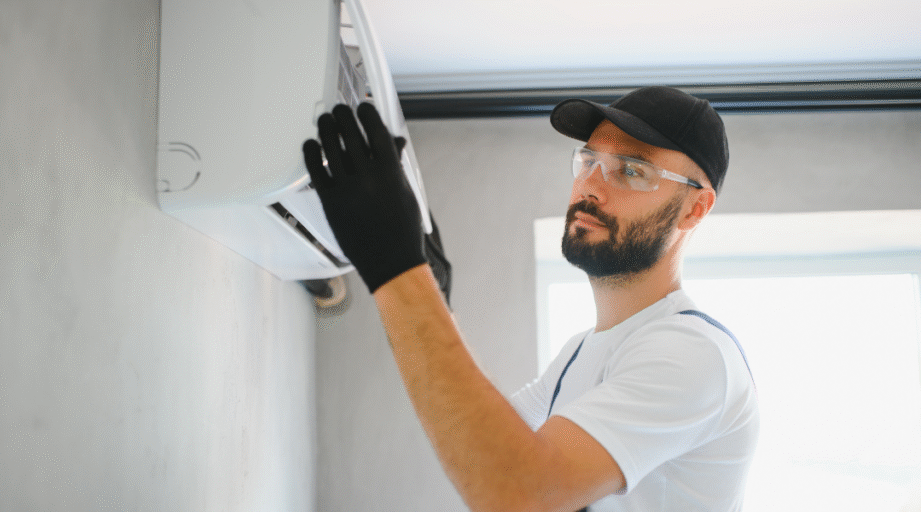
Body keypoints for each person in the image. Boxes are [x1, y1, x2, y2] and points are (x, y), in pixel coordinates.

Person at [302, 86, 759, 512]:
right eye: (589, 161)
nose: (592, 187)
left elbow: (519, 491)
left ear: (695, 208)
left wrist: (397, 269)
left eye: (632, 171)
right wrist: (432, 299)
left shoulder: (692, 354)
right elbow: (481, 447)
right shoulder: (581, 351)